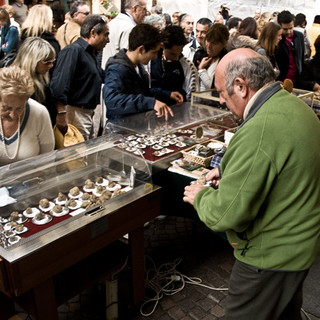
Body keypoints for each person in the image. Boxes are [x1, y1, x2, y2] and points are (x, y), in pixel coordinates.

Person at [183, 48, 320, 320]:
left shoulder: (259, 128)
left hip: (271, 257)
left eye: (222, 93)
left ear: (241, 86)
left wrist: (200, 196)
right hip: (300, 245)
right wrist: (229, 168)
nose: (222, 101)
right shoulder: (294, 105)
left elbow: (226, 213)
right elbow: (281, 157)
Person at [50, 14, 109, 140]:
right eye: (106, 34)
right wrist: (61, 113)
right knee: (76, 156)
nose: (108, 40)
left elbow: (100, 76)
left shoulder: (91, 53)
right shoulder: (73, 51)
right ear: (93, 33)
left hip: (88, 113)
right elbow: (59, 85)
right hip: (76, 113)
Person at [103, 23, 173, 121]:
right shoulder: (117, 68)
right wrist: (150, 102)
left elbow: (141, 92)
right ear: (141, 49)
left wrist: (168, 94)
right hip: (120, 128)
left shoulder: (138, 65)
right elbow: (113, 101)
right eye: (154, 52)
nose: (155, 57)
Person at [0, 65, 54, 166]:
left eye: (19, 108)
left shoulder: (39, 113)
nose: (13, 115)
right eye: (7, 108)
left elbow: (47, 159)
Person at [149, 25, 199, 105]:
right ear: (162, 46)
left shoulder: (187, 66)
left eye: (179, 53)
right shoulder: (151, 60)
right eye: (172, 54)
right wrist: (168, 94)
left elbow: (193, 97)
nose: (176, 58)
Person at [13, 37, 56, 124]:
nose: (51, 65)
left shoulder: (42, 78)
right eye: (47, 61)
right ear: (32, 61)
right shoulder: (17, 84)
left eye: (52, 61)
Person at [101, 0, 147, 69]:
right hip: (119, 74)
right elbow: (130, 59)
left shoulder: (112, 22)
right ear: (135, 9)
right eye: (144, 9)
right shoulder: (130, 28)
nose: (146, 13)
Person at [275, 10, 305, 86]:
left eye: (291, 28)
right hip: (281, 81)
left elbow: (301, 58)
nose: (289, 31)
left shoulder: (299, 36)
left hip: (297, 80)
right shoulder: (277, 39)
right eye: (285, 29)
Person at [198, 23, 229, 91]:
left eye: (214, 43)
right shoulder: (200, 54)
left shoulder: (225, 62)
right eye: (208, 41)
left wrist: (201, 69)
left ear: (223, 44)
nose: (209, 46)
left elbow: (214, 89)